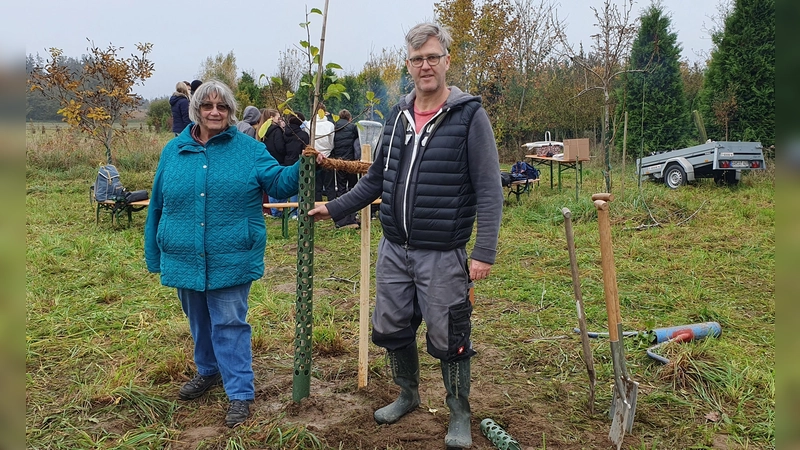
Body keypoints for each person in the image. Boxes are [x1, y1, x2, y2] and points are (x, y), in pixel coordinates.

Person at [308, 22, 503, 448]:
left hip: (443, 253)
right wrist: (334, 207)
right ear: (409, 66)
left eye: (433, 57)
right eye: (417, 59)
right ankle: (408, 394)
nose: (425, 65)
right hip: (394, 248)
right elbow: (377, 178)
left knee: (449, 335)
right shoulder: (397, 115)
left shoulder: (469, 116)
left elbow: (490, 188)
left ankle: (458, 413)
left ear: (447, 61)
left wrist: (483, 251)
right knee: (392, 327)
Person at [144, 80, 322, 428]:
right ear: (196, 109)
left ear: (230, 113)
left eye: (222, 107)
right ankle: (208, 371)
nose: (214, 112)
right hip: (183, 253)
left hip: (232, 254)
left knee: (229, 323)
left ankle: (240, 393)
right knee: (198, 320)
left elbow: (280, 183)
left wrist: (304, 162)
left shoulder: (248, 149)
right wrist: (155, 251)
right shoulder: (174, 150)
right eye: (208, 106)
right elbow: (157, 204)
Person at [331, 109, 359, 228]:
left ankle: (341, 218)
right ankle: (352, 216)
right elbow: (358, 142)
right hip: (351, 162)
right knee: (353, 188)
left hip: (339, 162)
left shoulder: (334, 128)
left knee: (341, 189)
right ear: (349, 118)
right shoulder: (352, 127)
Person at [259, 109, 287, 216]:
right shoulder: (277, 130)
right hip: (278, 160)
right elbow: (280, 147)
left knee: (270, 184)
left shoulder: (263, 130)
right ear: (271, 117)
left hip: (267, 160)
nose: (279, 119)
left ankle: (273, 210)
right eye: (278, 117)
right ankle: (279, 211)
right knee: (280, 184)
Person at [283, 112, 310, 218]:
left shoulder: (284, 134)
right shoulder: (303, 135)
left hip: (287, 161)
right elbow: (306, 149)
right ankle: (297, 210)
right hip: (299, 161)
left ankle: (291, 211)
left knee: (290, 185)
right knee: (299, 186)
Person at [310, 103, 336, 202]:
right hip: (327, 155)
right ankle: (332, 205)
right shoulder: (330, 125)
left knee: (317, 185)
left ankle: (317, 205)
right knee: (330, 184)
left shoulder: (310, 123)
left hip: (314, 156)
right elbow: (332, 141)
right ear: (325, 112)